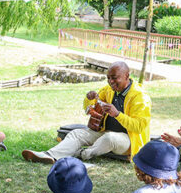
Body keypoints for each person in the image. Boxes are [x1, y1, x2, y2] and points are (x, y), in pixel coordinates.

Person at [22, 61, 151, 164]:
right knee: (77, 133)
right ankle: (49, 155)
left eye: (114, 78)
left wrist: (117, 114)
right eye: (108, 78)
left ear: (126, 76)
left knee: (109, 138)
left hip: (128, 141)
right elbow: (93, 102)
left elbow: (139, 127)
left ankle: (81, 154)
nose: (111, 82)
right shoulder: (109, 90)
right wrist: (89, 101)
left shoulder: (140, 97)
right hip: (105, 133)